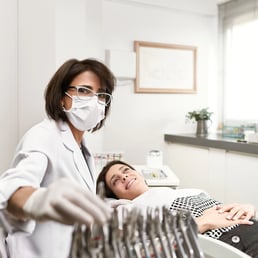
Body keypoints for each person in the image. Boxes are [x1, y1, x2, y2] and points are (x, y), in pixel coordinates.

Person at [0, 58, 116, 258]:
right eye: (84, 90)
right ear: (62, 97)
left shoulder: (80, 145)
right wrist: (38, 200)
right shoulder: (43, 135)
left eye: (101, 95)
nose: (94, 101)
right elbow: (11, 190)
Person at [97, 160, 258, 258]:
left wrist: (245, 208)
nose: (124, 176)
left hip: (249, 225)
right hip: (230, 242)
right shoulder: (130, 209)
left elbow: (216, 207)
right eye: (115, 180)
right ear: (115, 196)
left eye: (126, 171)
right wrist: (202, 222)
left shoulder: (184, 191)